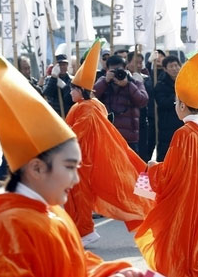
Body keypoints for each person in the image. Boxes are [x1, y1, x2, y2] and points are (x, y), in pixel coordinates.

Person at [0, 17, 146, 277]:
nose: (74, 178)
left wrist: (112, 272)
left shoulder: (42, 214)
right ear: (37, 167)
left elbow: (72, 264)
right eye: (69, 167)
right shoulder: (11, 227)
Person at [134, 47, 198, 277]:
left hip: (187, 201)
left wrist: (151, 167)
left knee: (186, 253)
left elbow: (169, 174)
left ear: (180, 105)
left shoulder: (184, 133)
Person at [64, 40, 154, 246]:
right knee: (81, 196)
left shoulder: (87, 107)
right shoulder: (91, 104)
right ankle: (82, 230)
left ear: (81, 90)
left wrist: (56, 138)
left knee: (80, 197)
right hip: (88, 157)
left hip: (84, 160)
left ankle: (84, 231)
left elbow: (76, 133)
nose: (70, 92)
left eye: (73, 88)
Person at [94, 55, 149, 154]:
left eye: (119, 70)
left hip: (129, 137)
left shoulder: (135, 83)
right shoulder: (104, 82)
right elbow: (92, 96)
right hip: (108, 134)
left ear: (125, 68)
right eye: (113, 70)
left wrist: (128, 85)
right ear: (107, 70)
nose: (117, 73)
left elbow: (143, 101)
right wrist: (105, 81)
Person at [154, 55, 184, 161]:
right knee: (167, 156)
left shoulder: (185, 82)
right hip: (167, 125)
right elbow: (162, 103)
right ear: (165, 69)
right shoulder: (161, 85)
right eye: (171, 66)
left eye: (176, 65)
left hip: (183, 124)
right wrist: (176, 95)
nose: (175, 68)